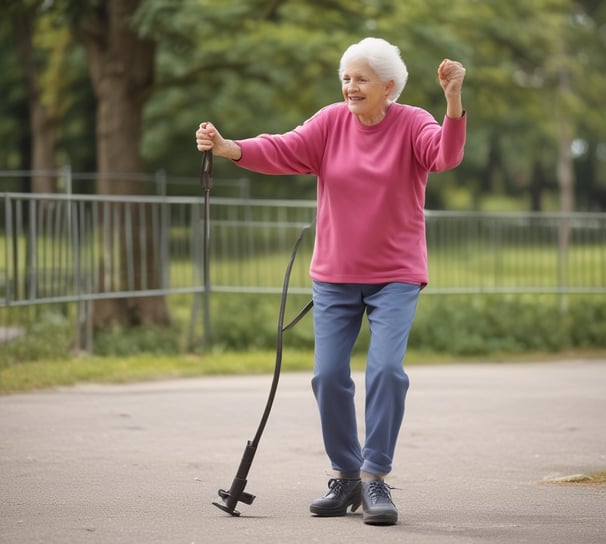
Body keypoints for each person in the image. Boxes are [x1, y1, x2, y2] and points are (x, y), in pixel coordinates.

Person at [196, 37, 466, 526]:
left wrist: (451, 101)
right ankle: (345, 477)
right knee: (327, 376)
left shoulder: (413, 123)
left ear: (389, 86)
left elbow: (444, 156)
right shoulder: (330, 122)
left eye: (361, 79)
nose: (350, 86)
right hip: (336, 275)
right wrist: (229, 147)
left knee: (386, 371)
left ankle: (375, 478)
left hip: (396, 275)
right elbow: (282, 148)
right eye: (346, 77)